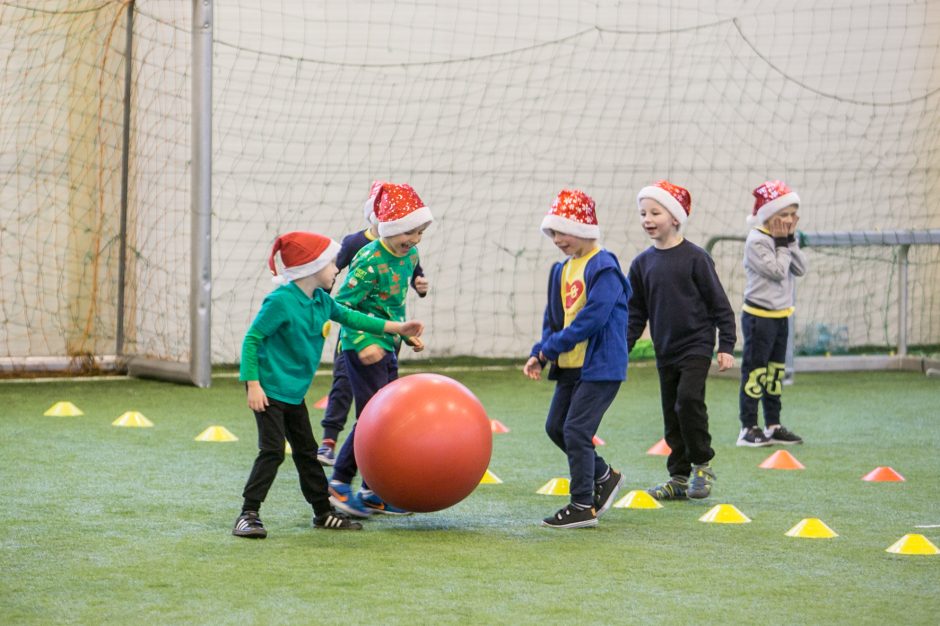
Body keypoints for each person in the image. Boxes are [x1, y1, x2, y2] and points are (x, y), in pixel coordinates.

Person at [233, 231, 424, 538]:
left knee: (307, 452)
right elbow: (252, 340)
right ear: (310, 268)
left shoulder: (322, 301)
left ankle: (323, 513)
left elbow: (354, 318)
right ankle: (248, 514)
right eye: (332, 264)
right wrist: (252, 384)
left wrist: (397, 328)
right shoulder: (280, 302)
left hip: (294, 391)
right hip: (268, 388)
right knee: (272, 451)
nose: (337, 268)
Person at [523, 189, 630, 529]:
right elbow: (553, 318)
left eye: (562, 231)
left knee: (576, 429)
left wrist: (549, 348)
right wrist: (539, 352)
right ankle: (603, 476)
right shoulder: (561, 269)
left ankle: (582, 504)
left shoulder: (605, 267)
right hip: (570, 365)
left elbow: (593, 319)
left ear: (584, 228)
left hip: (601, 366)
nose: (557, 239)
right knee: (557, 427)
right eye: (552, 233)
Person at [626, 180, 736, 501]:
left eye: (655, 212)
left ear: (675, 217)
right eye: (643, 212)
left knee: (688, 400)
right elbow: (636, 313)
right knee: (670, 412)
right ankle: (678, 476)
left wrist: (726, 345)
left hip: (696, 346)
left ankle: (702, 464)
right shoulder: (642, 264)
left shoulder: (696, 258)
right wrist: (623, 346)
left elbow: (720, 306)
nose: (647, 219)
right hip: (665, 350)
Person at [328, 182, 432, 518]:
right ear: (391, 228)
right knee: (373, 419)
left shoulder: (409, 256)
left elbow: (392, 305)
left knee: (389, 419)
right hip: (361, 349)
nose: (414, 241)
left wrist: (405, 335)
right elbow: (341, 305)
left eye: (419, 233)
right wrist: (362, 343)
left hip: (389, 345)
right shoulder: (370, 259)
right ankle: (339, 483)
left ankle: (372, 492)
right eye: (409, 233)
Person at [736, 180, 808, 446]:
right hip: (759, 316)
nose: (789, 220)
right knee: (755, 372)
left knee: (775, 372)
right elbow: (778, 270)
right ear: (769, 215)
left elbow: (799, 268)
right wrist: (782, 242)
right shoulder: (757, 241)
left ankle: (773, 424)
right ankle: (748, 427)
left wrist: (789, 240)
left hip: (781, 315)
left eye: (792, 214)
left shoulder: (785, 239)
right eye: (783, 215)